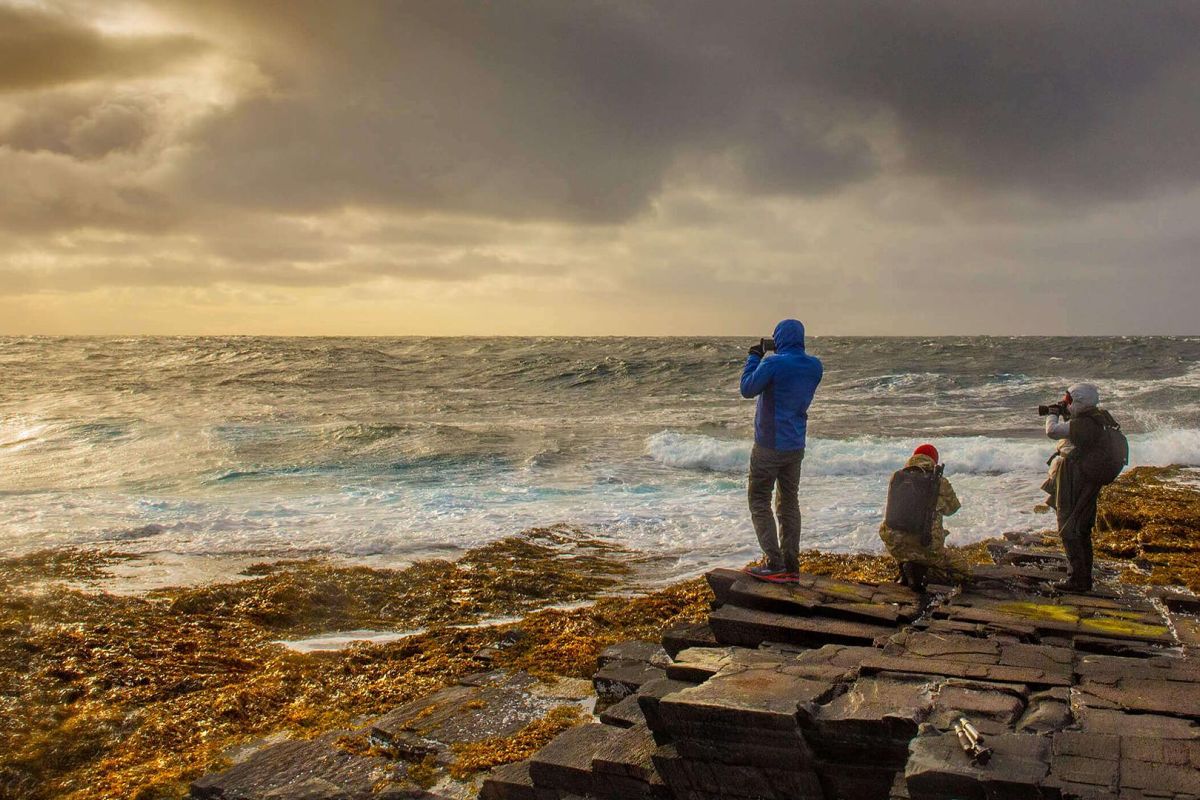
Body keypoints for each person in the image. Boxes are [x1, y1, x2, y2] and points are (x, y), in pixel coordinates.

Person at [739, 319, 823, 581]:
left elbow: (747, 389)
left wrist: (754, 356)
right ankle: (790, 564)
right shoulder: (814, 366)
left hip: (769, 444)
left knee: (759, 500)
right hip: (796, 444)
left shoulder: (773, 363)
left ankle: (774, 563)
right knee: (789, 504)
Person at [1043, 383, 1116, 592]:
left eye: (1069, 400)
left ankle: (1078, 579)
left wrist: (1052, 414)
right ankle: (1082, 577)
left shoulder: (1086, 424)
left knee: (1069, 525)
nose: (1066, 403)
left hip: (1076, 478)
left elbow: (1052, 431)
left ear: (1079, 401)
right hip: (1086, 478)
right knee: (1081, 527)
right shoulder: (1097, 418)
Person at [878, 443, 962, 592]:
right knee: (964, 571)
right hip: (926, 546)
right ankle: (919, 572)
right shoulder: (939, 482)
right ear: (933, 461)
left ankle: (905, 568)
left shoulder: (897, 476)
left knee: (905, 539)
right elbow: (952, 509)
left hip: (895, 545)